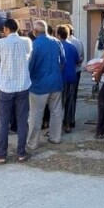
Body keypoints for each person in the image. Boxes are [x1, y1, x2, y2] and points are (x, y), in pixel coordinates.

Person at [0, 19, 32, 163]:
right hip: (23, 86)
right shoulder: (26, 41)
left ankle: (1, 155)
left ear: (6, 29)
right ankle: (21, 153)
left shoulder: (1, 43)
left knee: (3, 123)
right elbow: (29, 55)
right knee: (22, 121)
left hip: (6, 87)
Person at [27, 20, 65, 149]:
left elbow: (30, 66)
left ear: (35, 31)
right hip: (56, 83)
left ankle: (33, 143)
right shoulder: (56, 42)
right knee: (56, 112)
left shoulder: (34, 45)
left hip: (39, 86)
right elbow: (62, 61)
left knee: (36, 114)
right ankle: (55, 137)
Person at [57, 25, 80, 133]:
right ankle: (67, 124)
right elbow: (78, 60)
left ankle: (57, 126)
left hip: (60, 78)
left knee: (58, 103)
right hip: (71, 77)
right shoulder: (72, 46)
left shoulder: (57, 46)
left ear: (58, 35)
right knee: (69, 102)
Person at [65, 25, 85, 127]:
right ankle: (71, 119)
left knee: (64, 97)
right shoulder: (79, 42)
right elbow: (81, 58)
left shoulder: (64, 43)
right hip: (76, 72)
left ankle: (65, 121)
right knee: (73, 96)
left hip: (65, 73)